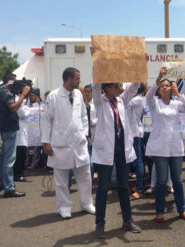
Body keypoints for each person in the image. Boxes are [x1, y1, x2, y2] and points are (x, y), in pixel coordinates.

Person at [42, 67, 95, 219]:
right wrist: (46, 142)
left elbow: (84, 116)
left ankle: (87, 204)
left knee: (85, 176)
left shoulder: (78, 93)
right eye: (77, 78)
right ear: (68, 79)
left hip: (79, 143)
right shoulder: (53, 96)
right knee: (61, 180)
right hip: (60, 144)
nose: (79, 81)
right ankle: (64, 207)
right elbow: (46, 120)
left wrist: (84, 133)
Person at [91, 80, 142, 237]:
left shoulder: (121, 100)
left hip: (122, 149)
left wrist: (139, 68)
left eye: (119, 86)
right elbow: (95, 84)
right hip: (105, 149)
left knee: (124, 186)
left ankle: (127, 220)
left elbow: (134, 88)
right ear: (107, 88)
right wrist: (96, 61)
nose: (119, 89)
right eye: (116, 86)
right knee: (103, 188)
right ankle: (100, 223)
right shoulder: (99, 101)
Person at [146, 67, 185, 223]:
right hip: (159, 147)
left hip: (175, 146)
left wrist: (179, 94)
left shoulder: (176, 104)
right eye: (162, 86)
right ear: (159, 90)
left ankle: (182, 209)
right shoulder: (155, 103)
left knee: (178, 180)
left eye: (168, 85)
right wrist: (159, 77)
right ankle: (159, 211)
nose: (165, 88)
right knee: (161, 181)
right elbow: (148, 95)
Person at [0, 72, 29, 197]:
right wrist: (24, 95)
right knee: (9, 159)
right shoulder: (7, 93)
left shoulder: (0, 91)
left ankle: (1, 183)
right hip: (9, 129)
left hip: (4, 128)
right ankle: (9, 188)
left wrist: (19, 95)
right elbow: (13, 108)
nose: (15, 84)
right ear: (9, 81)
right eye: (14, 81)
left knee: (4, 157)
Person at [127, 82, 148, 200]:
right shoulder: (140, 99)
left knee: (137, 161)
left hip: (134, 133)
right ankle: (139, 186)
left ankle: (139, 188)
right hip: (136, 132)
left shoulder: (135, 100)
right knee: (138, 160)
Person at [26, 88, 44, 170]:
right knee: (29, 150)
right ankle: (27, 163)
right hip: (30, 132)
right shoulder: (29, 106)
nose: (31, 98)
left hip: (39, 132)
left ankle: (35, 164)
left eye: (33, 96)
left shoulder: (43, 105)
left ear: (37, 96)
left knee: (37, 150)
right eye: (30, 96)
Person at [13, 95, 30, 182]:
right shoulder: (16, 99)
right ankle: (18, 175)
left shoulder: (19, 99)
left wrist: (26, 108)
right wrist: (28, 109)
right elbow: (22, 114)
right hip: (19, 131)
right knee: (20, 154)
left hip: (21, 130)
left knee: (21, 153)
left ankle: (19, 173)